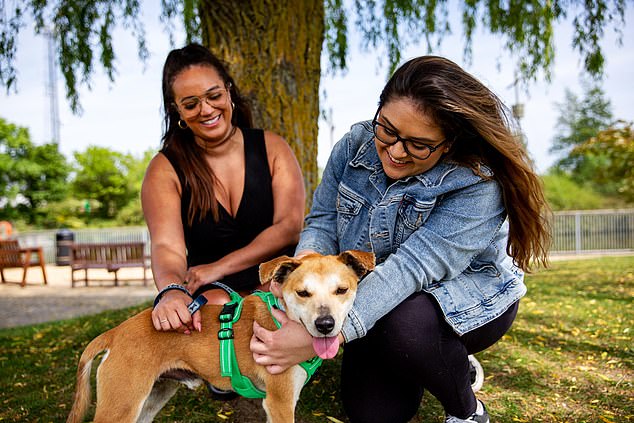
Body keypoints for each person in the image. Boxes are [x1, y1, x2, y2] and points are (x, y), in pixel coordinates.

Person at [250, 56, 551, 423]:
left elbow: (410, 269)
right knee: (372, 414)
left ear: (449, 142)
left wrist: (313, 342)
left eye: (417, 144)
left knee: (405, 326)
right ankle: (431, 359)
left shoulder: (478, 184)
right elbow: (323, 220)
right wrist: (304, 276)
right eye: (388, 130)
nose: (394, 151)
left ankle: (465, 407)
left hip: (463, 302)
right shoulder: (354, 145)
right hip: (381, 304)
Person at [141, 43, 305, 337]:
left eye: (214, 96)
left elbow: (290, 227)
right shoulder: (164, 168)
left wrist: (219, 266)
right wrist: (172, 290)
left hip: (274, 277)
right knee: (214, 308)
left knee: (276, 297)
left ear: (229, 92)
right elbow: (167, 247)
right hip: (214, 289)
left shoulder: (272, 148)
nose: (206, 110)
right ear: (176, 109)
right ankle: (225, 377)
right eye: (190, 104)